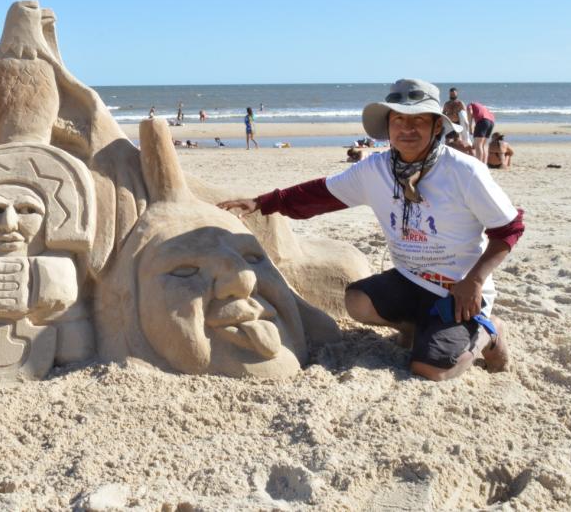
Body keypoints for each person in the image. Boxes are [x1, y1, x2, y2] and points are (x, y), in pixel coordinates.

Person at [218, 78, 523, 382]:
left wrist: (475, 281)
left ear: (437, 127)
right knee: (357, 301)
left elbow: (509, 228)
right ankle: (416, 326)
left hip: (458, 289)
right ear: (388, 127)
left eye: (419, 120)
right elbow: (319, 194)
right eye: (399, 120)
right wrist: (259, 202)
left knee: (430, 369)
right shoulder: (376, 169)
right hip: (411, 279)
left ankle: (489, 331)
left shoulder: (463, 171)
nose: (407, 128)